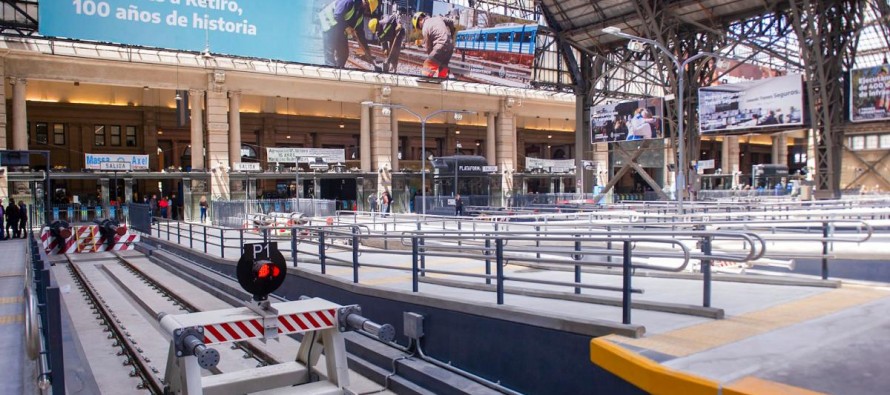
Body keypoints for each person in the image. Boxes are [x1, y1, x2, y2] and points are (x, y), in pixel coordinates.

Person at [319, 0, 379, 68]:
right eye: (367, 5)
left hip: (339, 27)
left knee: (344, 53)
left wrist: (367, 50)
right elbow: (337, 15)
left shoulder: (359, 15)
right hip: (328, 23)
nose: (366, 8)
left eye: (368, 8)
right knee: (330, 53)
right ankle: (330, 71)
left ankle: (338, 69)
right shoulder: (349, 1)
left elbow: (360, 34)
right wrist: (347, 27)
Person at [413, 12, 456, 78]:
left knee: (428, 64)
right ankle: (442, 81)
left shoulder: (425, 28)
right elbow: (451, 22)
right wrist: (452, 33)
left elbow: (428, 46)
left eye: (418, 26)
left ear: (420, 19)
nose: (420, 28)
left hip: (441, 45)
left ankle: (424, 81)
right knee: (443, 67)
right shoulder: (438, 18)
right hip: (450, 47)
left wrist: (431, 57)